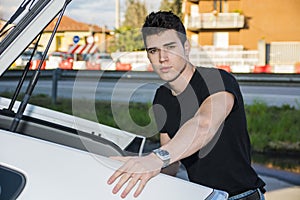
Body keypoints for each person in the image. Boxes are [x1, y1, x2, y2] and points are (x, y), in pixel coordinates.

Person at [107, 11, 266, 199]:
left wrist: (155, 159)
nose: (162, 58)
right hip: (202, 195)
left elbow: (204, 124)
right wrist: (135, 166)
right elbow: (172, 164)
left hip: (242, 196)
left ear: (186, 47)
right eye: (153, 50)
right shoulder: (161, 97)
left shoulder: (217, 80)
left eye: (170, 47)